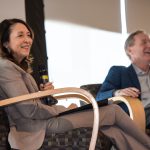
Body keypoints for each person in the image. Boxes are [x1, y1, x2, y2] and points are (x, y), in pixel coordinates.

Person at [0, 19, 149, 150]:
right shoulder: (5, 67)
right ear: (5, 42)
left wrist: (45, 95)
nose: (28, 39)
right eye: (20, 35)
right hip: (36, 127)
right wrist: (62, 109)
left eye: (28, 35)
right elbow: (28, 110)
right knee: (113, 111)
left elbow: (31, 105)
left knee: (111, 127)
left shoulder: (18, 69)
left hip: (44, 121)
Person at [96, 30, 150, 129]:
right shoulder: (119, 72)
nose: (149, 45)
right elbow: (99, 97)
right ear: (130, 50)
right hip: (138, 116)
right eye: (144, 42)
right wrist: (116, 93)